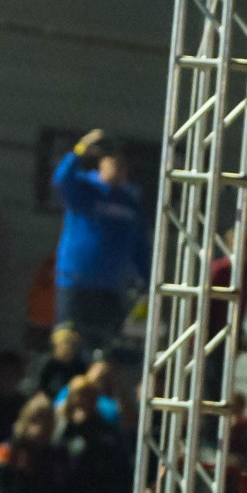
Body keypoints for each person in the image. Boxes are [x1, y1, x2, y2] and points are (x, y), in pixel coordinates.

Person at [50, 130, 149, 351]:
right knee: (67, 344)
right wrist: (80, 150)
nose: (118, 167)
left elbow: (140, 245)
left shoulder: (131, 202)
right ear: (101, 163)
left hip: (111, 287)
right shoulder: (84, 188)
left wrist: (147, 281)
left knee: (103, 349)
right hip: (76, 281)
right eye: (113, 161)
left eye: (122, 164)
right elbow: (61, 179)